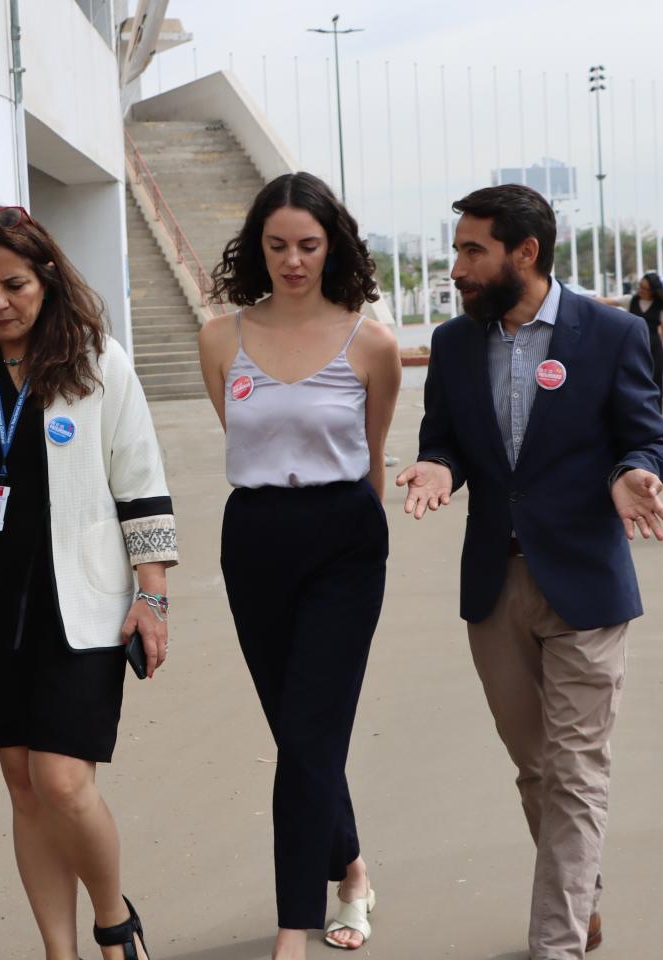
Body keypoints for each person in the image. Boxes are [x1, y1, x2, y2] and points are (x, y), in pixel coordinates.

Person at [0, 205, 177, 960]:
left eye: (13, 285)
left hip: (76, 600)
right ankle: (59, 951)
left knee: (63, 783)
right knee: (22, 785)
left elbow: (141, 485)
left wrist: (151, 597)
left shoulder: (96, 363)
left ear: (47, 278)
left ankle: (114, 923)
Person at [398, 184, 663, 960]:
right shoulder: (455, 344)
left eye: (472, 250)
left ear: (526, 252)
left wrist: (635, 473)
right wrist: (436, 465)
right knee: (537, 771)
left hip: (587, 581)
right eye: (456, 249)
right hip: (496, 587)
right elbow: (444, 439)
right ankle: (581, 897)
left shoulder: (612, 333)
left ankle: (556, 942)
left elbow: (647, 436)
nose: (457, 267)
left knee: (577, 771)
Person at [198, 172, 400, 958]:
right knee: (298, 729)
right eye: (277, 245)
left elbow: (373, 456)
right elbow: (245, 438)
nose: (292, 260)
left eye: (308, 245)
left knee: (311, 732)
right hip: (255, 536)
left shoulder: (370, 343)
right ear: (258, 248)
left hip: (344, 540)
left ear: (332, 248)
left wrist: (359, 538)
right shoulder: (221, 339)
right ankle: (353, 869)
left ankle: (294, 926)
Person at [597, 272, 663, 411]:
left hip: (654, 350)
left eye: (645, 288)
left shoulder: (660, 306)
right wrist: (585, 300)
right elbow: (606, 301)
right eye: (640, 286)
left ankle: (656, 416)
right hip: (634, 348)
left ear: (653, 290)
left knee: (655, 384)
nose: (641, 290)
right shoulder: (630, 300)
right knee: (633, 382)